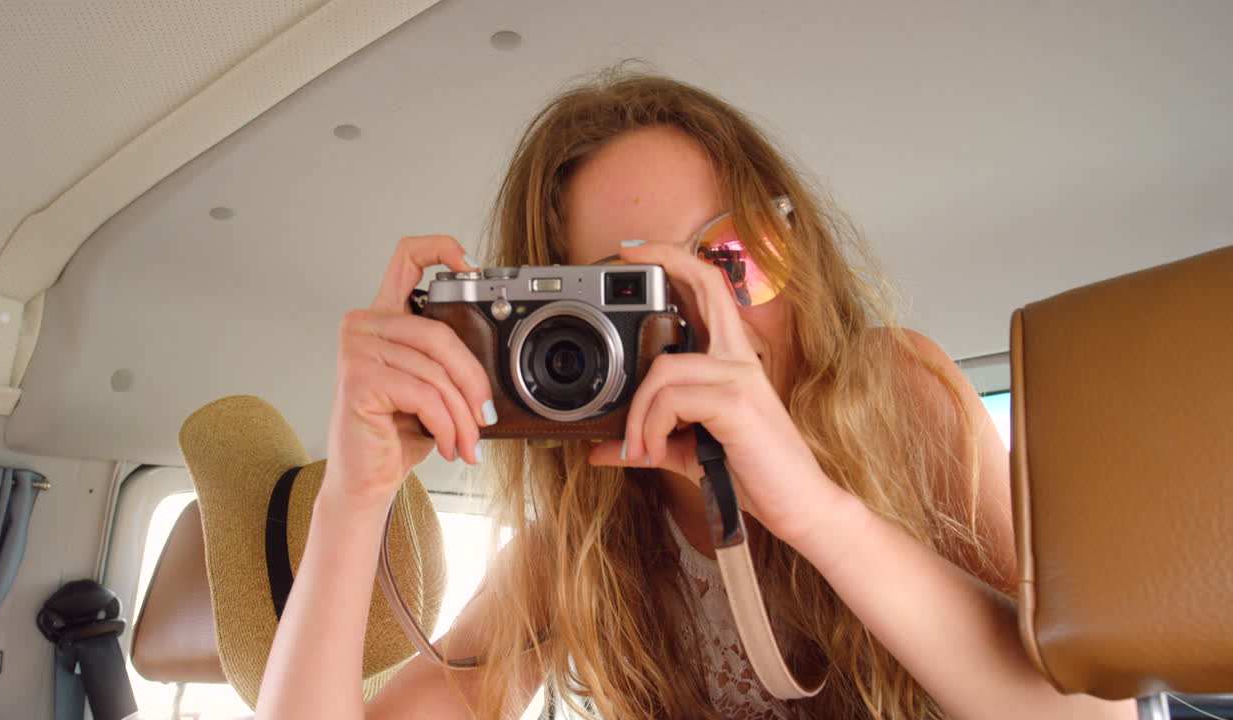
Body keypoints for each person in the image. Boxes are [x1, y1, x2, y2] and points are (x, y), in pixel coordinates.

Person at [254, 68, 1137, 719]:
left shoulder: (901, 394)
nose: (708, 315)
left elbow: (1091, 717)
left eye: (732, 256)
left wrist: (814, 512)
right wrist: (352, 502)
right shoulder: (587, 536)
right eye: (628, 294)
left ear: (802, 252)